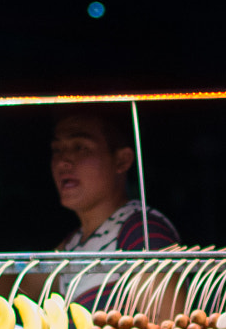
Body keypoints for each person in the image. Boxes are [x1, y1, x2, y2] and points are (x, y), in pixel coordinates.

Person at [52, 108, 179, 252]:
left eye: (80, 148)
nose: (62, 162)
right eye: (57, 150)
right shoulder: (73, 242)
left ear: (121, 160)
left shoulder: (142, 233)